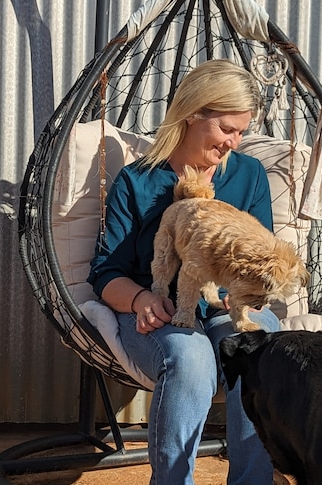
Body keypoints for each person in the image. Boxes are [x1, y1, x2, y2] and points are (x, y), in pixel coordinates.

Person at [87, 59, 280, 484]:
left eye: (242, 131)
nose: (234, 142)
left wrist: (244, 290)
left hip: (225, 305)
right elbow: (106, 272)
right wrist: (142, 300)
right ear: (194, 113)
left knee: (260, 346)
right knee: (191, 358)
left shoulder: (249, 176)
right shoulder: (136, 182)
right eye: (227, 129)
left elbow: (260, 255)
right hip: (155, 312)